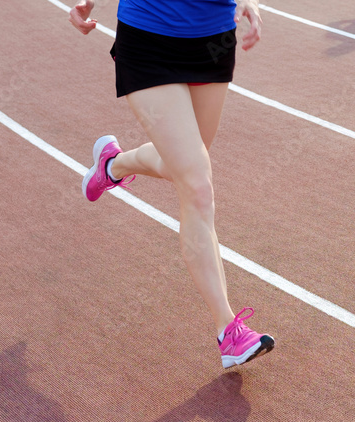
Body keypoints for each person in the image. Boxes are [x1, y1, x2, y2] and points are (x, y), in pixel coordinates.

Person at [69, 0, 274, 369]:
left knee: (182, 164)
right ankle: (229, 331)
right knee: (197, 185)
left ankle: (112, 164)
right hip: (149, 39)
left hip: (214, 41)